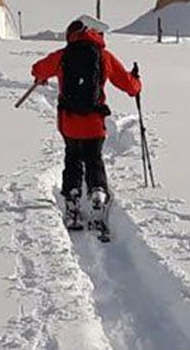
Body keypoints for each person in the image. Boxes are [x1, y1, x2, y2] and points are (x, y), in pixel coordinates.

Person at [31, 17, 141, 230]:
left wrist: (43, 76)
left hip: (69, 123)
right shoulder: (103, 56)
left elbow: (38, 69)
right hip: (94, 123)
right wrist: (137, 83)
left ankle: (72, 199)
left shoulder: (63, 56)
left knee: (72, 159)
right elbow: (128, 84)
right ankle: (98, 193)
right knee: (94, 159)